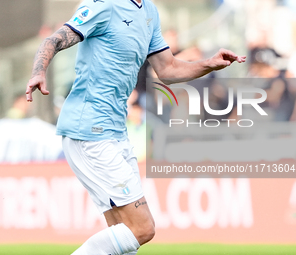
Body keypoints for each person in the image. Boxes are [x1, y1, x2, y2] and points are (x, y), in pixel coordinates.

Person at [26, 0, 246, 254]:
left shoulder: (149, 11)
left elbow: (168, 69)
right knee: (143, 228)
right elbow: (53, 40)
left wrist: (208, 63)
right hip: (89, 130)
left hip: (116, 133)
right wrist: (39, 70)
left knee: (124, 237)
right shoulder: (104, 6)